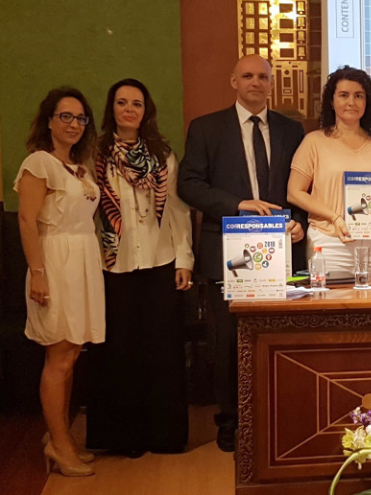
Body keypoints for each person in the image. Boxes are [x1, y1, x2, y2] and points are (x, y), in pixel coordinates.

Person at [178, 54, 306, 452]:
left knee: (278, 335)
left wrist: (300, 220)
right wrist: (237, 204)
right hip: (228, 249)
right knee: (229, 340)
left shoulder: (291, 130)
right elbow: (189, 184)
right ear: (233, 81)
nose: (255, 82)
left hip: (279, 249)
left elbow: (303, 186)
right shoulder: (206, 128)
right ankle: (231, 420)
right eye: (247, 76)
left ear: (271, 83)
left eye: (262, 77)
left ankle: (275, 415)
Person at [86, 79, 194, 456]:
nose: (129, 109)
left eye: (136, 103)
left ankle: (164, 436)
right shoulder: (94, 155)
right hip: (111, 265)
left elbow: (178, 211)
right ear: (111, 108)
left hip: (159, 261)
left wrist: (184, 259)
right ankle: (123, 439)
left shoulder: (162, 156)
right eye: (122, 103)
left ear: (146, 110)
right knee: (118, 351)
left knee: (162, 352)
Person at [15, 87, 104, 476]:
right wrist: (38, 272)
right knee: (59, 356)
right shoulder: (39, 163)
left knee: (72, 354)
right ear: (49, 121)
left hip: (83, 259)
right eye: (65, 116)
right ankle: (59, 444)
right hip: (54, 261)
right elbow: (26, 220)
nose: (73, 124)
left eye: (80, 118)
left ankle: (61, 436)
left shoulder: (79, 167)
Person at [288, 66, 371, 274]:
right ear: (331, 101)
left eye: (359, 96)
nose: (351, 102)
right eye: (344, 95)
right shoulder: (314, 141)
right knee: (331, 296)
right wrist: (335, 217)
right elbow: (294, 192)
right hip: (329, 243)